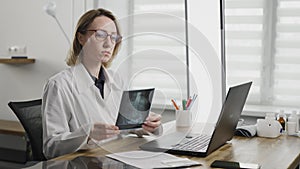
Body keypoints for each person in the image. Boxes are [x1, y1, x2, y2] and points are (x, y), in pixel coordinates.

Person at [42, 8, 162, 159]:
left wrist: (146, 126)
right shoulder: (59, 85)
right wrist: (87, 134)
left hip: (119, 158)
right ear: (81, 37)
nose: (108, 44)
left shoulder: (118, 80)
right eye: (100, 35)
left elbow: (123, 128)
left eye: (113, 37)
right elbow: (50, 147)